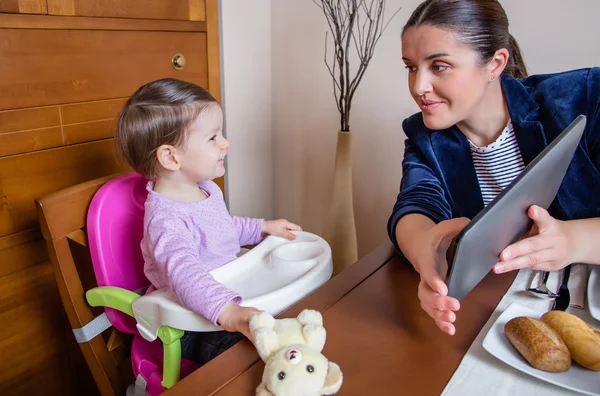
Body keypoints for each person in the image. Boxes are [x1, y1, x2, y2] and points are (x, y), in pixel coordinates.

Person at [388, 0, 600, 336]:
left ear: (495, 63)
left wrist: (574, 240)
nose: (418, 87)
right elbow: (415, 205)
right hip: (506, 316)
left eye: (439, 66)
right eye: (411, 67)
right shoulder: (425, 137)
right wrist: (425, 250)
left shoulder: (584, 97)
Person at [116, 78, 302, 364]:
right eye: (213, 137)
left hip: (226, 293)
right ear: (171, 157)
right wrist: (227, 312)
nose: (225, 143)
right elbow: (185, 273)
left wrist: (263, 227)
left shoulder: (204, 188)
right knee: (255, 355)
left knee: (292, 325)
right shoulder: (166, 221)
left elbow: (221, 229)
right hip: (192, 321)